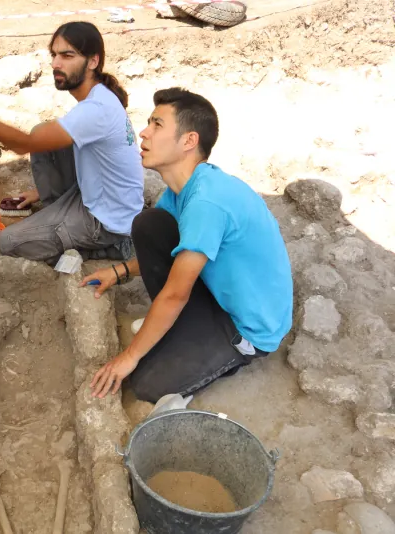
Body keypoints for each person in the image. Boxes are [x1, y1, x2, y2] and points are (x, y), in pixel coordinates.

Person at [84, 88, 293, 402]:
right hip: (217, 298)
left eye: (157, 125)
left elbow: (176, 292)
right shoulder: (181, 191)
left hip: (247, 328)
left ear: (189, 141)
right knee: (150, 224)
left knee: (145, 385)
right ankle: (182, 334)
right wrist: (121, 271)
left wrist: (129, 356)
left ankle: (224, 356)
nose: (144, 133)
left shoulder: (207, 201)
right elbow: (173, 252)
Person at [0, 21, 144, 265]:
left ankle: (110, 247)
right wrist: (39, 192)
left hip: (108, 222)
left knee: (9, 242)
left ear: (93, 62)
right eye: (54, 55)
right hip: (98, 197)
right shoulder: (98, 97)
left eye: (68, 55)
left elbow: (23, 145)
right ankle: (57, 212)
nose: (56, 63)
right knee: (44, 136)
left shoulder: (96, 110)